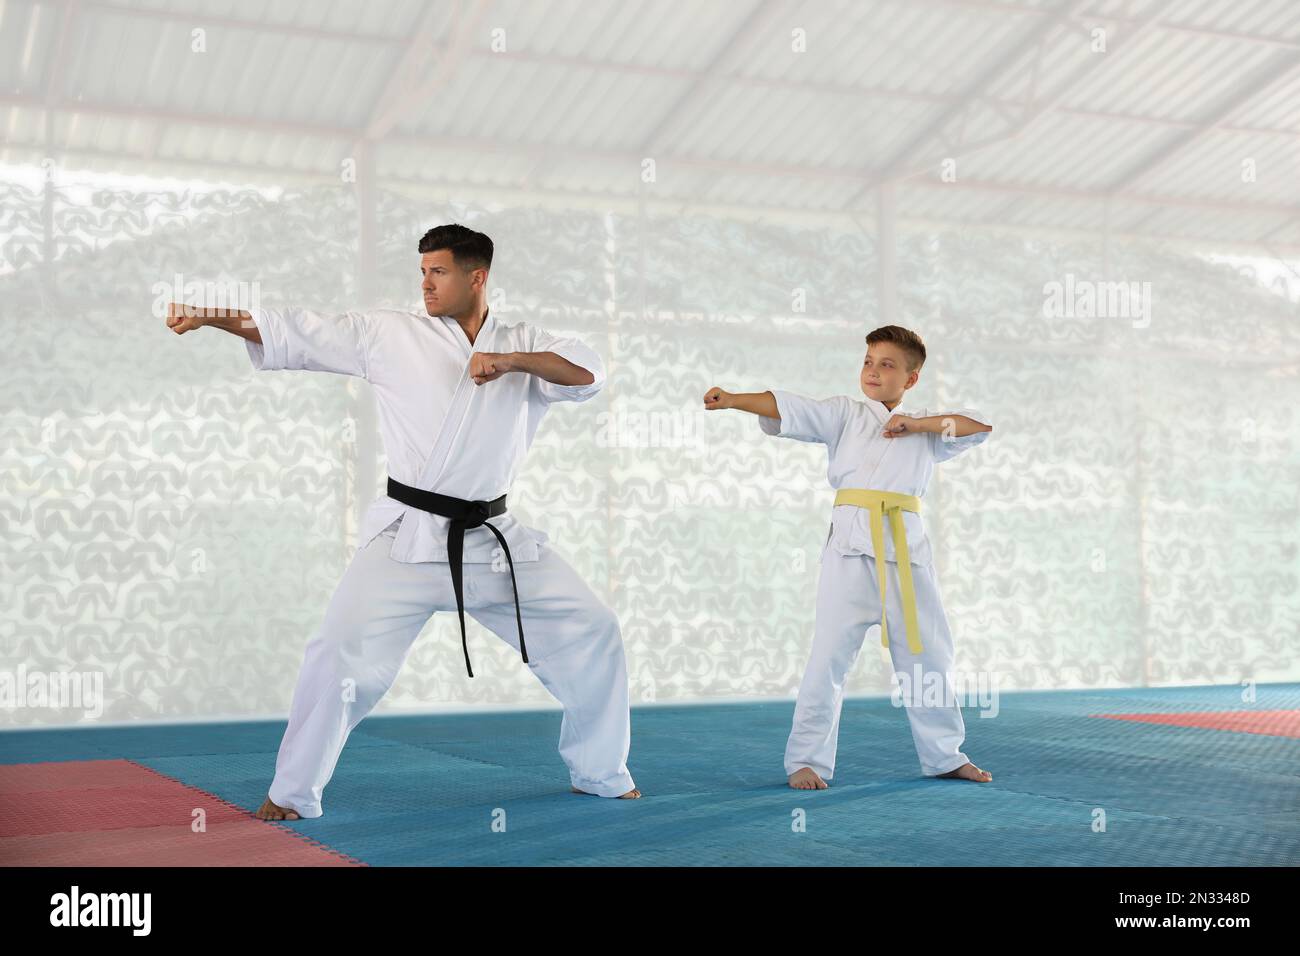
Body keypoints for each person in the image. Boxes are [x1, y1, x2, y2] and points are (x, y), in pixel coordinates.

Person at [166, 223, 639, 819]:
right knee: (337, 653)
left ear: (477, 276)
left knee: (593, 629)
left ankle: (600, 772)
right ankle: (290, 794)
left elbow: (589, 373)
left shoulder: (526, 342)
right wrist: (213, 317)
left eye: (438, 271)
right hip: (407, 537)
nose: (426, 284)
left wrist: (510, 360)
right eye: (421, 272)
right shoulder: (389, 333)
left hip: (494, 542)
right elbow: (295, 330)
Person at [702, 325, 993, 790]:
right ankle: (807, 760)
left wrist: (915, 425)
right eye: (868, 361)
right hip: (849, 551)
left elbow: (978, 426)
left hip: (907, 553)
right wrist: (735, 398)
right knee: (828, 659)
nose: (873, 371)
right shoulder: (845, 415)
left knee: (929, 656)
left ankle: (944, 755)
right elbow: (789, 407)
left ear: (911, 378)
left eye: (887, 364)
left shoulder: (927, 428)